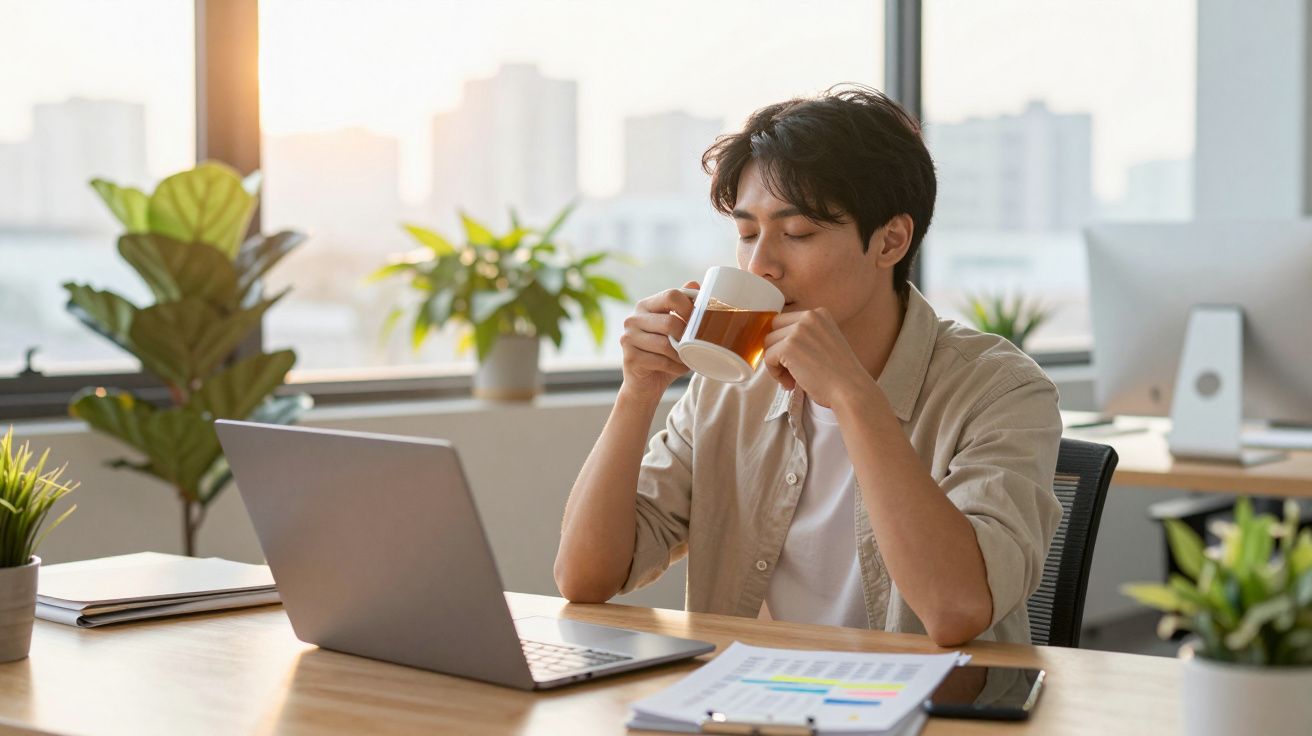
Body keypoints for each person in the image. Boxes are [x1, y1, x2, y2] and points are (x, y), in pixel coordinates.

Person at [553, 86, 1062, 646]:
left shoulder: (1000, 389)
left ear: (891, 241)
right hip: (746, 703)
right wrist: (637, 393)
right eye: (747, 234)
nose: (761, 264)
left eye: (797, 233)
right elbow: (584, 578)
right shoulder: (730, 385)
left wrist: (854, 399)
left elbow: (957, 609)